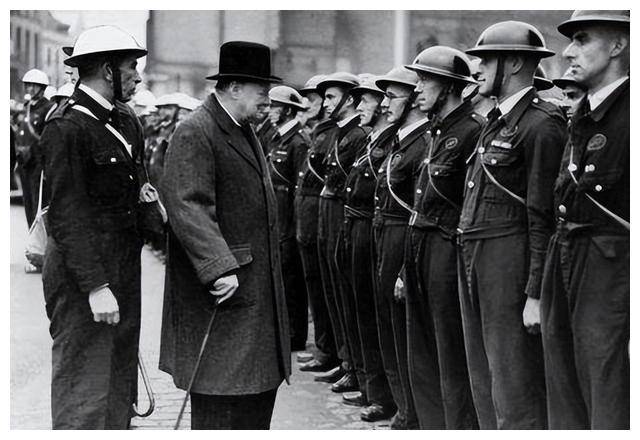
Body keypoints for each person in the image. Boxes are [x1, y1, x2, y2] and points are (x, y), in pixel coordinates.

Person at [159, 41, 290, 430]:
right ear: (234, 87)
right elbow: (187, 204)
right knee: (221, 405)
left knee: (253, 400)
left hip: (250, 300)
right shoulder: (196, 130)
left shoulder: (242, 128)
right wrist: (218, 267)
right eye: (261, 89)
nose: (267, 99)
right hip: (224, 298)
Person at [40, 25, 152, 429]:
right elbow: (67, 215)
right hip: (83, 282)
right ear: (108, 70)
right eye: (131, 67)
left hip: (122, 273)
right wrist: (96, 287)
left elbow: (138, 196)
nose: (137, 77)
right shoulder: (67, 127)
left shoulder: (124, 122)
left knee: (118, 394)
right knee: (84, 395)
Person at [457, 21, 567, 429]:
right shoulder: (496, 121)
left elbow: (543, 217)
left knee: (513, 380)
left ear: (516, 62)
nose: (478, 69)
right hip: (477, 256)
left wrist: (535, 293)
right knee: (483, 374)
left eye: (486, 61)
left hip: (509, 263)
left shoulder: (542, 124)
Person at [541, 10, 629, 429]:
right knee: (564, 384)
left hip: (612, 271)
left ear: (618, 45)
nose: (568, 52)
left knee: (606, 390)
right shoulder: (583, 114)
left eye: (582, 39)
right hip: (566, 255)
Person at [403, 46, 482, 429]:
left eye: (425, 81)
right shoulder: (437, 131)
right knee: (422, 348)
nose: (417, 89)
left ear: (449, 86)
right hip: (421, 243)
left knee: (450, 351)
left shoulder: (472, 131)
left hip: (447, 248)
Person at [372, 66, 427, 429]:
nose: (385, 103)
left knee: (402, 326)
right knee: (387, 323)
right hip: (384, 230)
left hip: (403, 234)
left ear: (413, 100)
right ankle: (398, 403)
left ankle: (410, 411)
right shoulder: (399, 139)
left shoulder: (422, 142)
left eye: (393, 96)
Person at [342, 75, 398, 420]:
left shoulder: (390, 140)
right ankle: (368, 386)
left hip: (372, 228)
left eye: (365, 100)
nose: (359, 106)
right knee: (360, 310)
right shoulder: (370, 140)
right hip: (358, 226)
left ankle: (381, 394)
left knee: (375, 315)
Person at [315, 72, 368, 391]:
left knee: (343, 290)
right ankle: (344, 359)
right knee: (333, 290)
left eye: (332, 97)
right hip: (329, 210)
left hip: (342, 212)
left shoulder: (357, 135)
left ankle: (351, 363)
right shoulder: (339, 133)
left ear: (349, 99)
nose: (325, 103)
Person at [295, 74, 341, 373]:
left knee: (327, 289)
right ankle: (325, 347)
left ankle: (330, 351)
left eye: (316, 98)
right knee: (316, 283)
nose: (313, 104)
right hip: (311, 213)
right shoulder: (320, 130)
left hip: (323, 213)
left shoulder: (333, 132)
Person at [266, 85, 310, 351]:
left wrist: (294, 227)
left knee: (292, 279)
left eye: (275, 107)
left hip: (290, 222)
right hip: (277, 218)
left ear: (289, 110)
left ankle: (295, 335)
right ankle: (284, 331)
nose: (270, 111)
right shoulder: (277, 139)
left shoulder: (298, 142)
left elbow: (298, 189)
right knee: (281, 276)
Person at [15, 69, 54, 240]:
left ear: (42, 88)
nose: (29, 88)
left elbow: (49, 139)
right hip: (25, 164)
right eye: (27, 85)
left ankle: (42, 244)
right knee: (29, 205)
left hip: (40, 165)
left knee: (40, 206)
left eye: (34, 85)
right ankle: (33, 244)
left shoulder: (48, 108)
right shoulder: (26, 107)